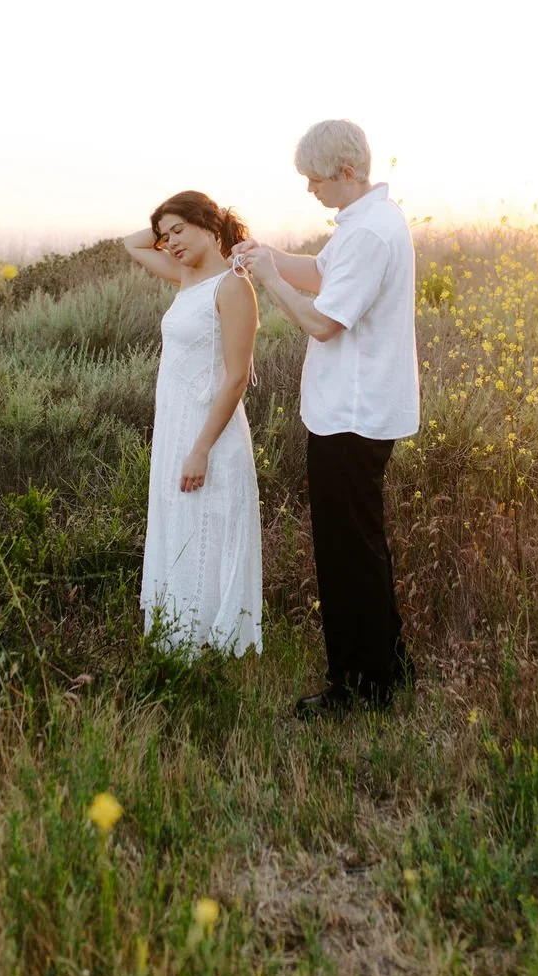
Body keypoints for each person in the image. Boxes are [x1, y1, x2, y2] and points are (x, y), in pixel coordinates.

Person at [231, 120, 419, 713]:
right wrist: (271, 257)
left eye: (315, 179)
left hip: (352, 415)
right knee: (363, 545)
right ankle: (389, 670)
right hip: (354, 411)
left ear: (346, 173)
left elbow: (322, 321)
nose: (310, 190)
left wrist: (267, 281)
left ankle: (358, 689)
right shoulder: (366, 222)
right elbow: (320, 271)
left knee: (345, 554)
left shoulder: (369, 235)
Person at [124, 191, 262, 658]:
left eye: (179, 230)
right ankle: (179, 637)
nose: (168, 243)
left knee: (210, 527)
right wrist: (165, 224)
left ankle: (214, 646)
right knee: (180, 524)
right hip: (175, 428)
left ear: (208, 222)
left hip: (211, 435)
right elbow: (132, 243)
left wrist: (202, 447)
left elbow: (237, 376)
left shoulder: (233, 286)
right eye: (165, 236)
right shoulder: (187, 276)